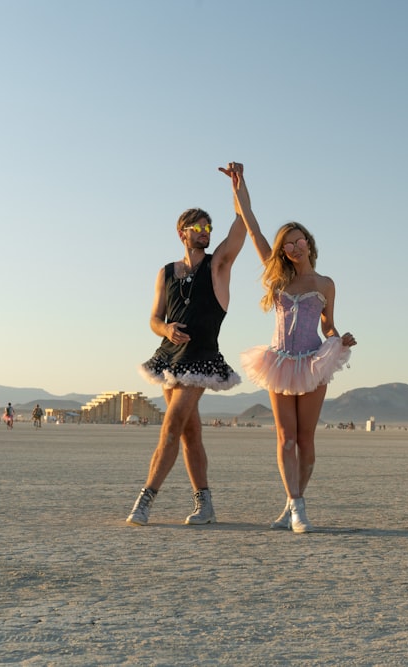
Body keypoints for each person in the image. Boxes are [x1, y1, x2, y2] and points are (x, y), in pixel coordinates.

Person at [126, 162, 249, 527]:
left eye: (209, 227)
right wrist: (165, 331)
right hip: (169, 357)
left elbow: (241, 228)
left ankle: (145, 499)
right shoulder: (166, 272)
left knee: (172, 424)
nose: (206, 231)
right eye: (199, 227)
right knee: (190, 433)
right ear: (182, 233)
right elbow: (153, 319)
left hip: (202, 357)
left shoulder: (218, 266)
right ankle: (205, 505)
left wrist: (239, 188)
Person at [234, 179, 357, 534]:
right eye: (288, 244)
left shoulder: (325, 284)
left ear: (309, 243)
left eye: (300, 240)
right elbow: (253, 228)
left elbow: (328, 326)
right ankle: (296, 506)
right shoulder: (277, 278)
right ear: (283, 250)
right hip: (279, 361)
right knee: (285, 439)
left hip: (314, 361)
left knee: (305, 441)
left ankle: (295, 503)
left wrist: (340, 338)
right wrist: (238, 188)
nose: (295, 247)